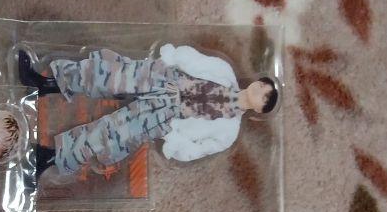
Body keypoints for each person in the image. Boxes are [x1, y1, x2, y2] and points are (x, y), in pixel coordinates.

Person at [18, 45, 279, 178]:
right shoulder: (224, 72)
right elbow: (198, 62)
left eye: (264, 97)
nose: (259, 90)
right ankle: (47, 83)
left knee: (114, 134)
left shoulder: (228, 132)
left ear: (260, 109)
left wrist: (175, 141)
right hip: (164, 80)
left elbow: (199, 148)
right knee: (110, 75)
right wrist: (174, 56)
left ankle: (50, 157)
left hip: (165, 115)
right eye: (261, 85)